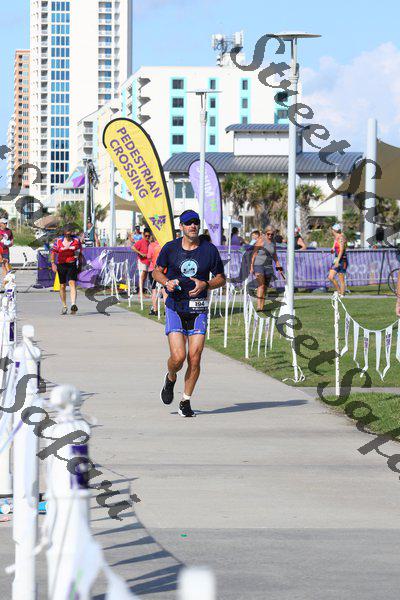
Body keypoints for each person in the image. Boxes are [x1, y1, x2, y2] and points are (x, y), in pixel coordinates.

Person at [153, 209, 225, 417]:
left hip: (198, 308)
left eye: (195, 222)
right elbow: (156, 271)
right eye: (188, 223)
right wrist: (167, 282)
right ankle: (170, 377)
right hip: (175, 306)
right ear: (181, 227)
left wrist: (206, 284)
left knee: (195, 357)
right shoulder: (170, 248)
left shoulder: (209, 250)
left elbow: (221, 278)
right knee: (178, 357)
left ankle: (185, 401)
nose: (192, 226)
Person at [250, 225, 285, 311]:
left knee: (265, 287)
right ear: (265, 233)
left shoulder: (273, 242)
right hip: (258, 265)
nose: (270, 236)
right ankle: (259, 306)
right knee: (261, 285)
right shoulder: (261, 240)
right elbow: (254, 254)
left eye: (272, 234)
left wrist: (279, 267)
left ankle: (262, 306)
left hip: (269, 266)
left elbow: (275, 255)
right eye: (268, 234)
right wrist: (251, 267)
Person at [50, 224, 83, 315]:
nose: (68, 236)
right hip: (61, 264)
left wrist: (80, 264)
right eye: (66, 235)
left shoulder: (76, 240)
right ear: (64, 234)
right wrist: (53, 263)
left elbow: (80, 253)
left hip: (72, 264)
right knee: (62, 286)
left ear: (72, 233)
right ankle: (64, 306)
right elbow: (53, 252)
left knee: (72, 283)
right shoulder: (58, 241)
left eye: (69, 235)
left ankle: (73, 304)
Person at [328, 223, 348, 296]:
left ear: (334, 230)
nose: (332, 231)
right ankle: (339, 291)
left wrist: (338, 260)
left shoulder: (341, 238)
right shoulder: (336, 237)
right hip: (337, 258)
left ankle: (342, 294)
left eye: (332, 230)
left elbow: (341, 250)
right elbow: (334, 247)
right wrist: (333, 249)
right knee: (330, 277)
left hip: (342, 259)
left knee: (341, 278)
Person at [132, 228, 151, 294]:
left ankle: (141, 291)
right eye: (146, 236)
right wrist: (140, 253)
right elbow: (133, 247)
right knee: (142, 277)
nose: (147, 237)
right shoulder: (141, 241)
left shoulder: (149, 242)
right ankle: (140, 292)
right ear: (143, 235)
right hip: (142, 261)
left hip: (147, 261)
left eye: (148, 236)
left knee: (144, 277)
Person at [147, 235, 161, 316]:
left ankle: (155, 309)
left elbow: (149, 257)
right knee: (164, 290)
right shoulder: (164, 244)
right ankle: (166, 309)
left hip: (153, 269)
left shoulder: (151, 245)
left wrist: (153, 261)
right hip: (164, 270)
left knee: (154, 289)